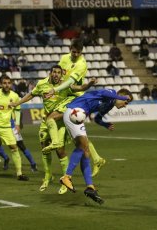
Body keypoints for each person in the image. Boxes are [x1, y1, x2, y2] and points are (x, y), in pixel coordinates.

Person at [11, 65, 97, 193]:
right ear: (50, 73)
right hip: (46, 120)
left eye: (59, 73)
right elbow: (31, 95)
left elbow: (80, 88)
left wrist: (89, 84)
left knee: (60, 150)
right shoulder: (42, 84)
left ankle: (66, 180)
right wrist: (17, 103)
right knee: (44, 148)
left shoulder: (65, 85)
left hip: (60, 121)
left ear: (61, 75)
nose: (56, 75)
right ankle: (48, 176)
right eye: (54, 72)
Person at [59, 88, 133, 204]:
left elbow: (97, 118)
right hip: (75, 111)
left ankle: (90, 187)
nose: (125, 105)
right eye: (126, 102)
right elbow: (103, 93)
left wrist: (105, 124)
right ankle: (67, 177)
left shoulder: (109, 105)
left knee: (86, 152)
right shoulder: (112, 93)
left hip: (79, 115)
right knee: (83, 147)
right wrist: (122, 97)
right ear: (120, 96)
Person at [44, 39, 106, 177]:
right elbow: (58, 74)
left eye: (78, 52)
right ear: (70, 48)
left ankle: (55, 143)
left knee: (52, 118)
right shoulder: (64, 58)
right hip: (64, 96)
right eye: (74, 51)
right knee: (77, 137)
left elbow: (71, 82)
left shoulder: (81, 64)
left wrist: (55, 90)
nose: (76, 54)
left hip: (75, 98)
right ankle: (97, 159)